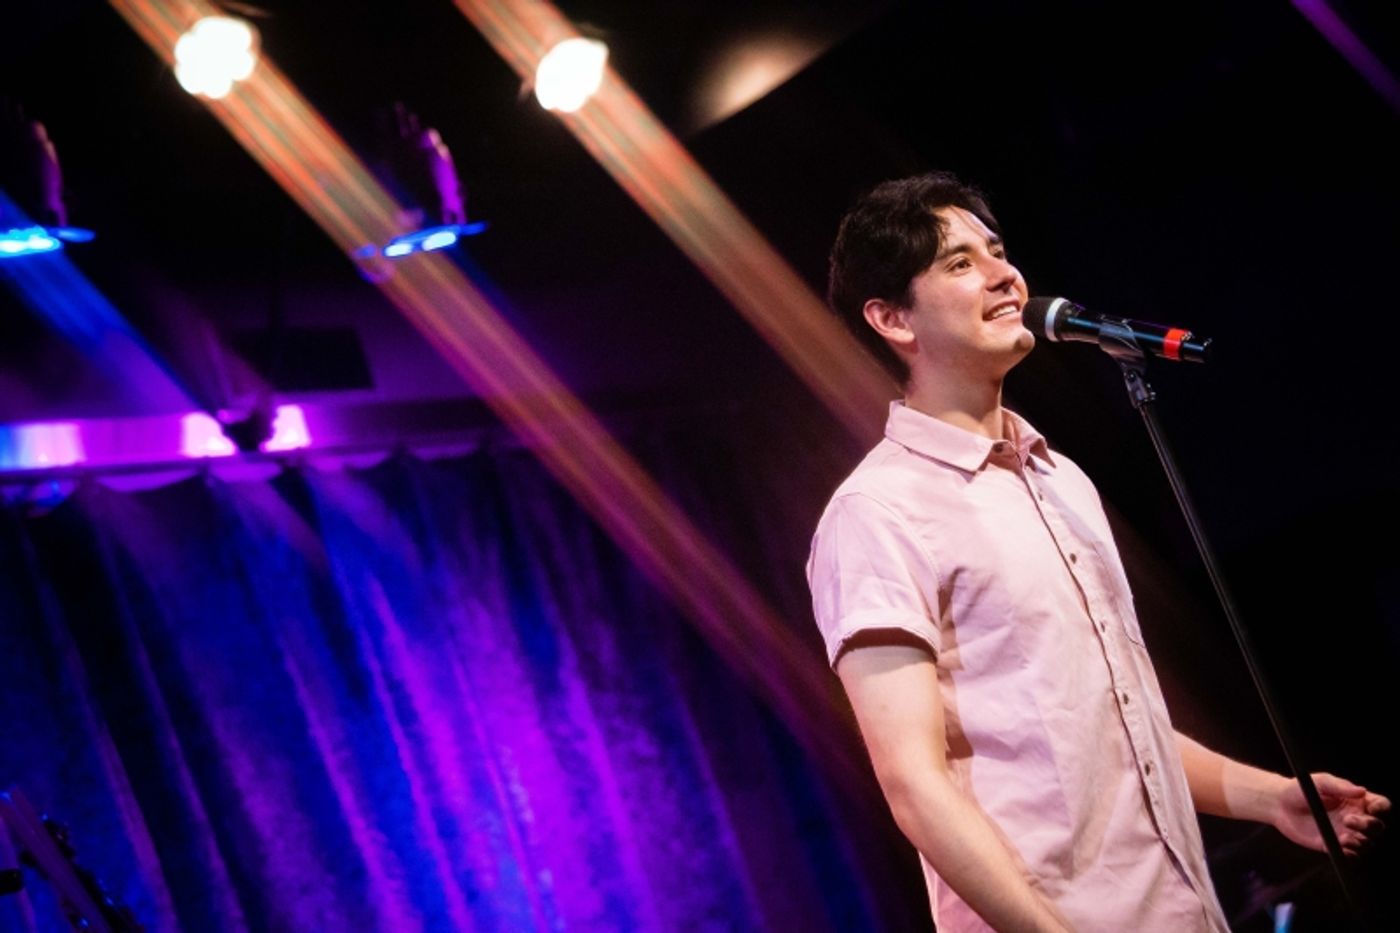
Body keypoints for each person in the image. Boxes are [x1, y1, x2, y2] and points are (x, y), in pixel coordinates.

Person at [806, 172, 1389, 932]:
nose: (1003, 274)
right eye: (958, 263)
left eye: (999, 250)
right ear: (891, 317)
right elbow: (913, 781)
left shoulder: (1061, 478)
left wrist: (1269, 797)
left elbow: (1108, 726)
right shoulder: (875, 513)